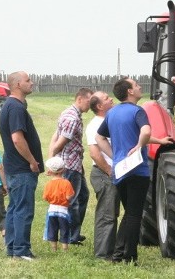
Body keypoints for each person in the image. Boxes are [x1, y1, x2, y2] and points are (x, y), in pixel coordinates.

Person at [95, 78, 172, 264]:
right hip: (137, 171)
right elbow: (144, 132)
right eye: (136, 85)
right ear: (130, 91)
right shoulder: (139, 111)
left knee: (129, 213)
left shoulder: (112, 113)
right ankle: (130, 256)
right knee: (135, 215)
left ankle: (118, 254)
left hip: (120, 170)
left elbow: (99, 137)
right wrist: (138, 147)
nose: (139, 87)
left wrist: (116, 156)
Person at [0, 71, 44, 261]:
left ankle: (12, 247)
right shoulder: (16, 108)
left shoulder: (10, 106)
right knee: (23, 209)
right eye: (28, 80)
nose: (31, 83)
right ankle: (21, 249)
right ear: (17, 84)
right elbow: (17, 139)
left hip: (13, 167)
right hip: (22, 168)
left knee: (15, 208)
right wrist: (32, 161)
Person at [50, 87, 93, 246]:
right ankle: (69, 237)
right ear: (80, 99)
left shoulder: (69, 112)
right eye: (89, 101)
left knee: (83, 196)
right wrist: (53, 163)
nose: (91, 104)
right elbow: (59, 143)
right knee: (72, 200)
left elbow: (55, 136)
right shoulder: (73, 118)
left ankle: (73, 233)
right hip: (69, 164)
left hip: (75, 163)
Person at [85, 91, 117, 260]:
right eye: (106, 98)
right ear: (99, 106)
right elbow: (94, 154)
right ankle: (103, 254)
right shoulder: (95, 125)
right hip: (104, 173)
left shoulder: (107, 121)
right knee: (106, 215)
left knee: (112, 213)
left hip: (110, 172)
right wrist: (110, 171)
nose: (111, 98)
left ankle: (111, 250)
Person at [42, 156, 75, 252]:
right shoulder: (66, 183)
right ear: (63, 170)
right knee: (64, 229)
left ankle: (54, 248)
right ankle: (64, 248)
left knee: (52, 229)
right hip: (63, 211)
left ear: (50, 171)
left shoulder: (48, 184)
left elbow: (45, 197)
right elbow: (69, 197)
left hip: (51, 210)